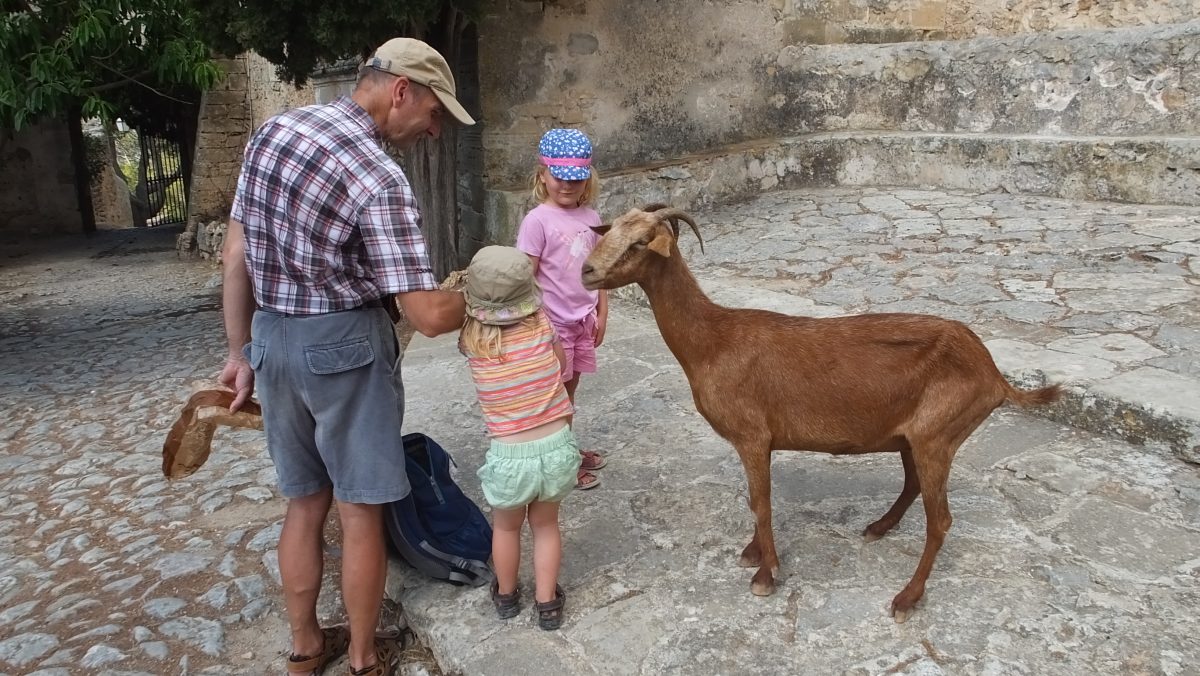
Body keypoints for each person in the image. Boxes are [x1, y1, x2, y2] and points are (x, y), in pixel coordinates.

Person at [218, 37, 472, 676]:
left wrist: (239, 352)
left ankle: (305, 648)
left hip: (273, 340)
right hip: (344, 348)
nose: (434, 131)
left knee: (304, 503)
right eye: (435, 113)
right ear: (402, 90)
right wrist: (486, 300)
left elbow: (234, 257)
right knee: (360, 511)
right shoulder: (378, 176)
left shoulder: (275, 130)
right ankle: (362, 659)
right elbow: (425, 317)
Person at [458, 246, 581, 630]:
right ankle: (546, 603)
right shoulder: (543, 325)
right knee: (546, 527)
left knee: (506, 527)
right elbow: (561, 367)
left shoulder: (472, 341)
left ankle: (507, 595)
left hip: (509, 454)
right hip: (557, 446)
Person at [515, 128, 609, 490]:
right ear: (543, 175)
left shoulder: (590, 217)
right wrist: (538, 328)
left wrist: (602, 311)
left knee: (570, 392)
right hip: (553, 325)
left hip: (581, 321)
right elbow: (526, 278)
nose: (567, 186)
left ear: (587, 180)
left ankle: (564, 449)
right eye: (559, 178)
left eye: (576, 179)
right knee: (554, 395)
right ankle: (561, 464)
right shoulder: (537, 221)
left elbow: (598, 269)